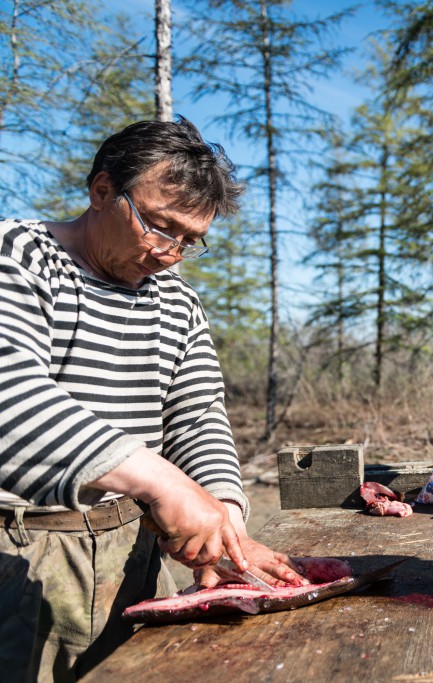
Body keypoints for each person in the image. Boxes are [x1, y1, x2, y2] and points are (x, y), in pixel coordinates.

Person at [0, 118, 306, 681]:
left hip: (130, 553)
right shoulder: (17, 255)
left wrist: (223, 520)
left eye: (191, 241)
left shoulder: (178, 303)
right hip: (18, 555)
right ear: (101, 192)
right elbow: (9, 394)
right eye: (160, 227)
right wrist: (164, 484)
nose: (170, 254)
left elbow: (197, 419)